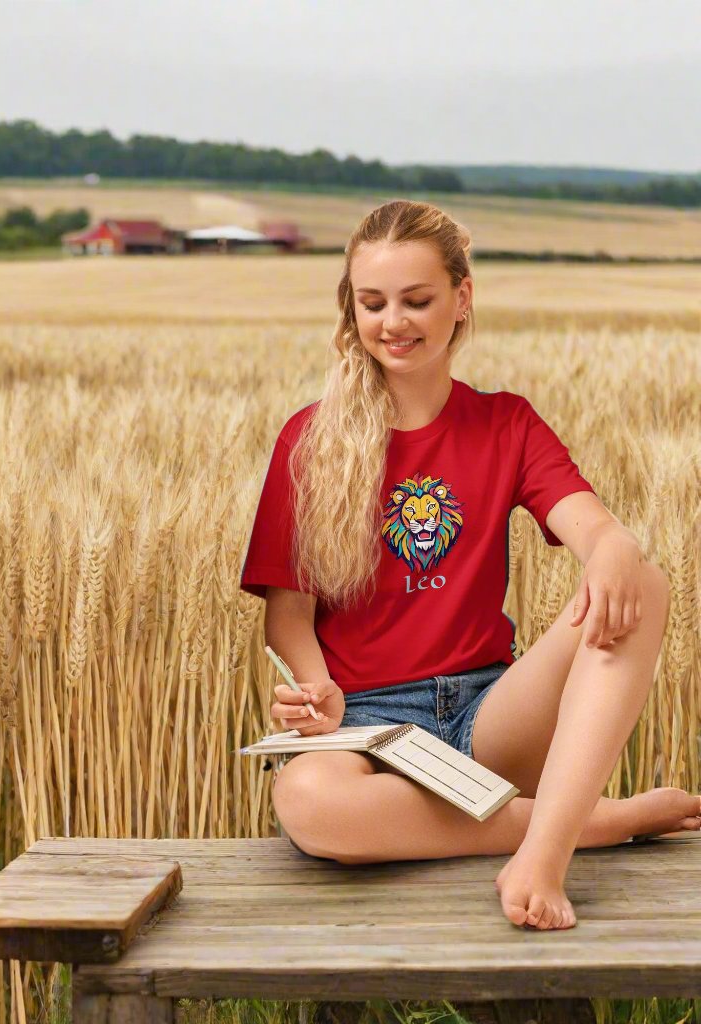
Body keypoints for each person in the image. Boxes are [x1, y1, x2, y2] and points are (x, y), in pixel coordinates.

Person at [239, 198, 700, 932]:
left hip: (491, 718)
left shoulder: (506, 423)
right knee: (309, 804)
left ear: (462, 298)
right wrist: (315, 685)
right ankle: (592, 822)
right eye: (373, 303)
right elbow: (289, 612)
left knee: (641, 585)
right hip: (368, 730)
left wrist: (612, 545)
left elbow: (586, 521)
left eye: (417, 300)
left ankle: (541, 855)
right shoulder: (310, 439)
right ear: (351, 310)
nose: (394, 322)